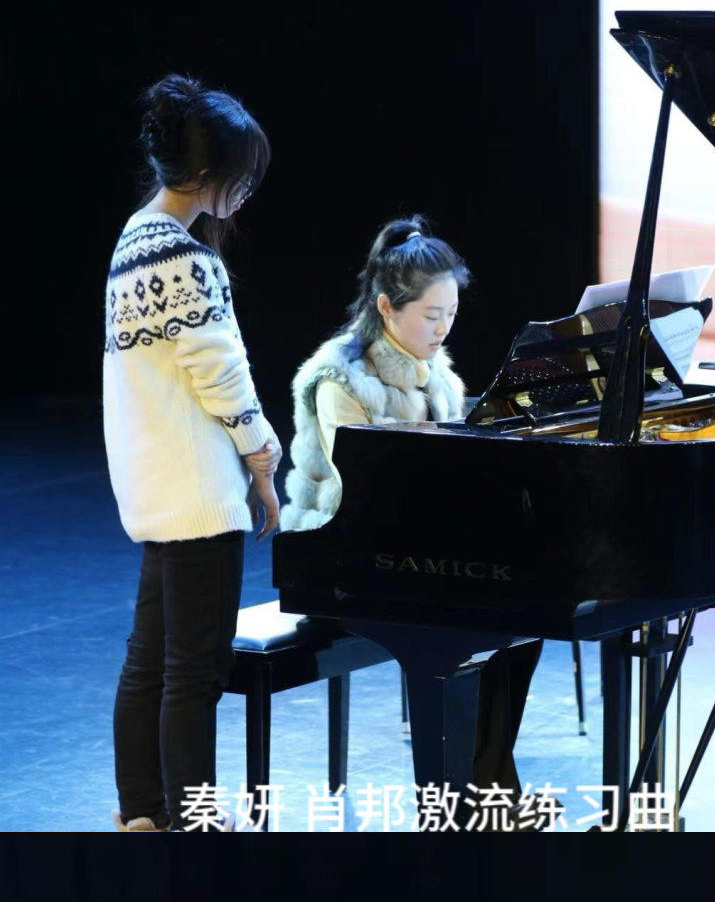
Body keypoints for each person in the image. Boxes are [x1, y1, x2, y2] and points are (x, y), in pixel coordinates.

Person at [277, 215, 539, 799]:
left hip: (413, 547)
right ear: (386, 307)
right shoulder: (339, 378)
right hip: (341, 561)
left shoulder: (437, 371)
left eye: (452, 314)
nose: (444, 328)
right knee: (474, 619)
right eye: (431, 314)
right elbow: (365, 495)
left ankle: (490, 791)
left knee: (527, 616)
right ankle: (473, 802)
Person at [104, 76, 282, 834]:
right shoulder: (184, 257)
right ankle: (195, 823)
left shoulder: (134, 238)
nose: (246, 192)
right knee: (194, 671)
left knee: (151, 660)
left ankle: (144, 813)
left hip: (153, 483)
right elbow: (222, 376)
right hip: (198, 488)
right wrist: (263, 460)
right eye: (244, 177)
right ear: (209, 175)